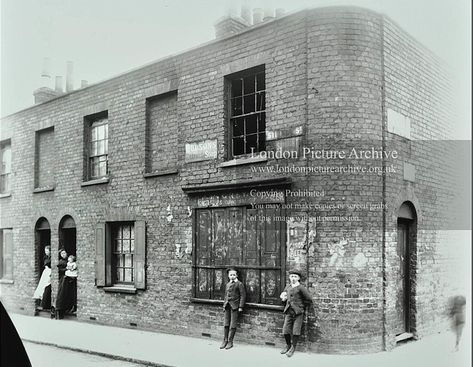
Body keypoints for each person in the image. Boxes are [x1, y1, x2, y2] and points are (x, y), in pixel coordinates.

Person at [279, 269, 312, 358]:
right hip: (289, 311)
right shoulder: (288, 287)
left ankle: (293, 348)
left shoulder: (301, 288)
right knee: (285, 330)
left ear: (298, 278)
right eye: (292, 276)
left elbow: (309, 299)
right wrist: (283, 299)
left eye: (295, 277)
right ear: (289, 277)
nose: (293, 278)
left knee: (295, 331)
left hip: (298, 313)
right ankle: (288, 345)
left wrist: (301, 307)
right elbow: (285, 296)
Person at [220, 267, 246, 350]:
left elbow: (243, 296)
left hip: (235, 307)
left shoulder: (239, 284)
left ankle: (230, 341)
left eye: (234, 275)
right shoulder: (228, 284)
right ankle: (225, 340)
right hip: (227, 306)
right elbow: (225, 296)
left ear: (236, 275)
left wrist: (241, 306)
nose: (232, 276)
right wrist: (224, 305)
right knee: (226, 324)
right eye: (230, 275)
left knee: (233, 325)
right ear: (228, 276)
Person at [33, 246, 52, 312]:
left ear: (50, 251)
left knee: (47, 286)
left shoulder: (52, 258)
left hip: (50, 272)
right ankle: (42, 303)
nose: (46, 252)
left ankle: (46, 304)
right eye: (45, 251)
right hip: (46, 272)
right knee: (42, 286)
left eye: (47, 251)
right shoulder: (45, 257)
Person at [55, 249, 69, 319]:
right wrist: (66, 269)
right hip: (63, 279)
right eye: (62, 254)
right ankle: (59, 311)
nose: (64, 255)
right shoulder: (60, 262)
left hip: (68, 279)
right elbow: (60, 270)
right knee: (61, 293)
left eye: (64, 253)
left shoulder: (69, 260)